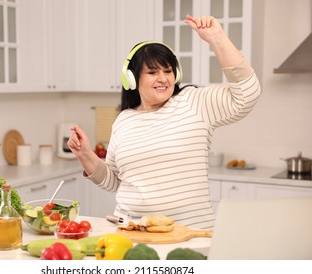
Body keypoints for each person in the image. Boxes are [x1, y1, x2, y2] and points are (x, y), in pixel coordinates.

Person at [67, 15, 261, 229]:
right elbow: (113, 181)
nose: (163, 78)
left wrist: (217, 39)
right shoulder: (124, 119)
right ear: (131, 79)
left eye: (168, 71)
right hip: (133, 232)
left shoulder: (193, 102)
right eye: (152, 72)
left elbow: (247, 93)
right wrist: (85, 155)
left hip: (191, 233)